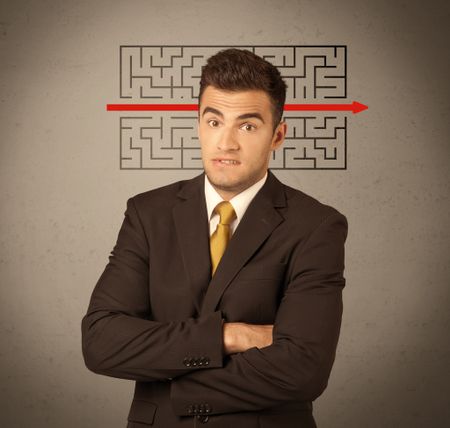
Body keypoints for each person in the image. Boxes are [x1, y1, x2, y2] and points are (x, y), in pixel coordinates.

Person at [81, 48, 348, 428]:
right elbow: (100, 341)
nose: (226, 143)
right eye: (214, 121)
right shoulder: (148, 213)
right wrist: (229, 336)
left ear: (277, 135)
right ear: (198, 124)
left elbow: (304, 368)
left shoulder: (316, 226)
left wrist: (171, 386)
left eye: (248, 125)